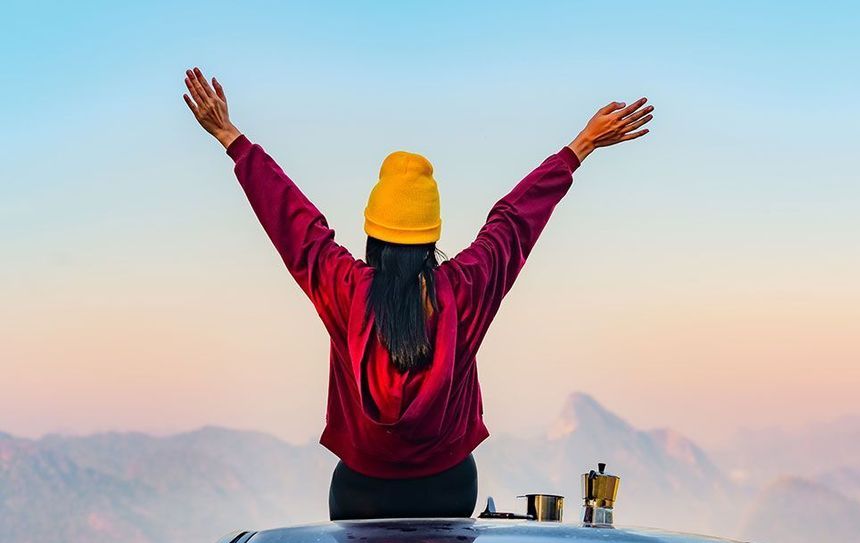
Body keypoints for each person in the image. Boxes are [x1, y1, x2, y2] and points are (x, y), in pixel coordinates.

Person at [182, 66, 653, 520]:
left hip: (360, 492)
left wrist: (231, 139)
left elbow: (294, 223)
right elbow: (514, 221)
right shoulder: (466, 288)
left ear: (373, 234)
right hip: (447, 487)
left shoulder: (345, 289)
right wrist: (581, 146)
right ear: (431, 237)